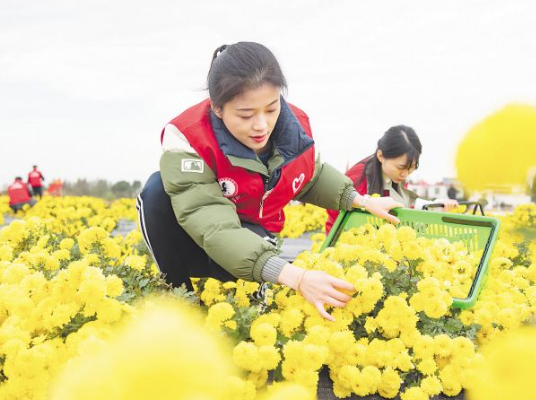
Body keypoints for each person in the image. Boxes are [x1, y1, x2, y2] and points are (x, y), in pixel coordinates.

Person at [137, 42, 403, 321]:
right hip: (195, 241)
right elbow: (211, 223)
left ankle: (253, 286)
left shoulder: (293, 126)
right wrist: (297, 278)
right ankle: (181, 300)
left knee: (251, 294)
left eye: (271, 109)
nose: (261, 125)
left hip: (254, 233)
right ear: (217, 107)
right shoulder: (188, 138)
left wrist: (361, 201)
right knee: (155, 191)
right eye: (246, 114)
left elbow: (310, 175)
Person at [326, 126, 459, 233]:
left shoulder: (396, 178)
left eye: (411, 168)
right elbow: (336, 213)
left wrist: (437, 205)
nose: (405, 174)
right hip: (345, 239)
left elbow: (403, 206)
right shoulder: (358, 177)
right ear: (381, 156)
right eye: (401, 167)